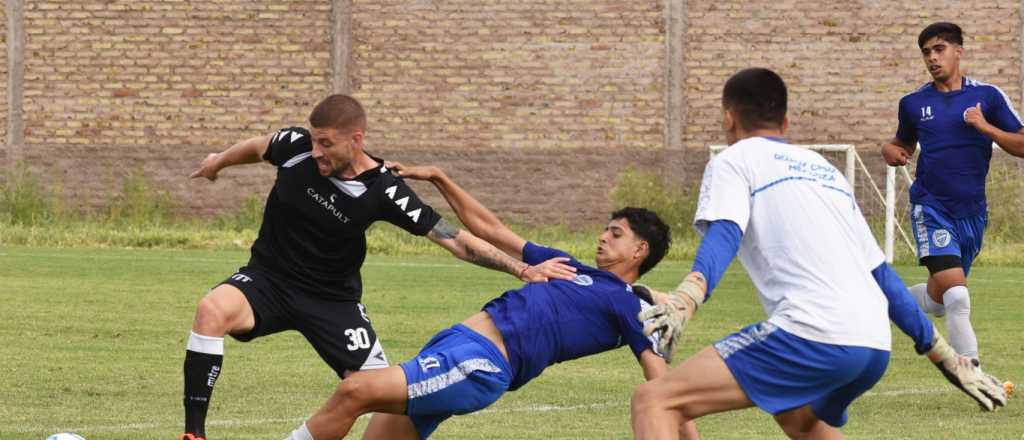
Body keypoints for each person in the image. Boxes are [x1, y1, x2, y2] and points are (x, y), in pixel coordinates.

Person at [630, 68, 1007, 440]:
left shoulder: (735, 160)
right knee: (798, 419)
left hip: (813, 335)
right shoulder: (824, 169)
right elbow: (882, 276)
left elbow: (725, 233)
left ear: (729, 118)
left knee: (654, 401)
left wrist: (686, 299)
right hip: (873, 346)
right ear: (786, 121)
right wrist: (943, 354)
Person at [181, 94, 573, 440]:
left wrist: (520, 269)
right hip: (268, 280)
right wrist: (218, 162)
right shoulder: (296, 145)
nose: (316, 150)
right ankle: (194, 433)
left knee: (376, 391)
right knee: (211, 309)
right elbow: (256, 146)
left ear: (356, 140)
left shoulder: (383, 189)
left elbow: (452, 237)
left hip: (332, 301)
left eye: (326, 143)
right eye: (314, 139)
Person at [281, 162, 687, 440]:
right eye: (605, 229)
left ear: (640, 251)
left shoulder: (628, 305)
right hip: (449, 344)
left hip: (481, 364)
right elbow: (490, 228)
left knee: (356, 391)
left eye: (616, 233)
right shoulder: (567, 266)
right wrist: (439, 177)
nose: (603, 236)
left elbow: (664, 387)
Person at [881, 22, 1024, 362]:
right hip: (931, 207)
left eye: (939, 49)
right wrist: (891, 150)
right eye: (926, 52)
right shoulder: (913, 103)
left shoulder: (987, 97)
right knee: (957, 297)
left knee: (939, 300)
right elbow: (902, 142)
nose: (932, 57)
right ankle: (971, 372)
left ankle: (877, 302)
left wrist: (985, 127)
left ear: (959, 51)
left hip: (972, 213)